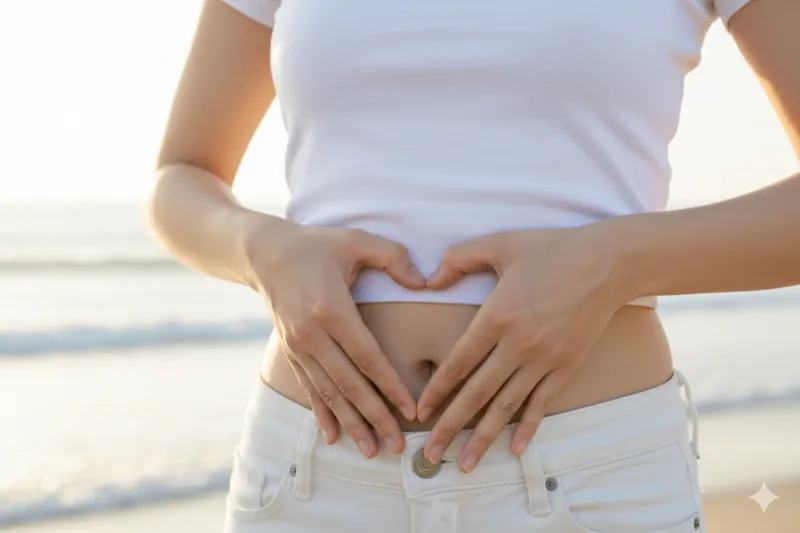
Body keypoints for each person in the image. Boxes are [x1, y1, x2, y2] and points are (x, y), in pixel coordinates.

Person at [147, 0, 800, 531]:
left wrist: (613, 261)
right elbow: (182, 174)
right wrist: (264, 251)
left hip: (587, 480)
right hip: (309, 477)